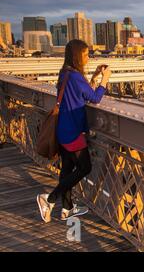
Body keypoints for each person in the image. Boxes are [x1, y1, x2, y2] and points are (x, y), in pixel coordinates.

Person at [37, 39, 111, 223]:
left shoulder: (65, 73)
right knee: (85, 167)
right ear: (78, 56)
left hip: (62, 128)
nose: (88, 58)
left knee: (68, 169)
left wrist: (93, 77)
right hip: (73, 131)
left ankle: (67, 209)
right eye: (85, 54)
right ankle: (49, 199)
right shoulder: (76, 77)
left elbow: (80, 93)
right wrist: (105, 80)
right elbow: (94, 98)